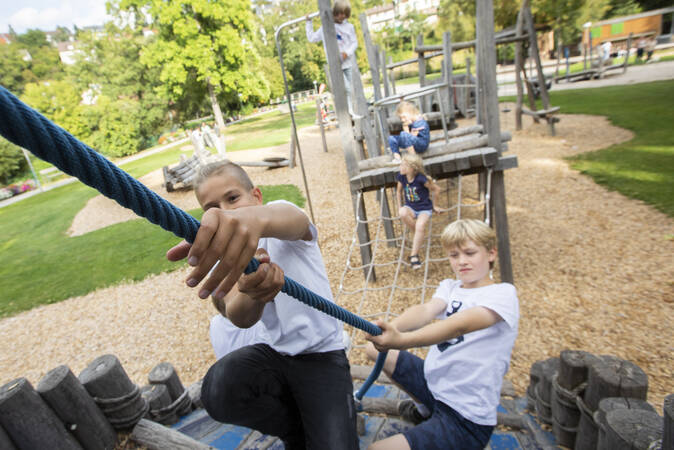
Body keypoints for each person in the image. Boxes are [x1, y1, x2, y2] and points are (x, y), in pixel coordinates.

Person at [166, 161, 358, 449]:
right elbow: (238, 316)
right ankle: (296, 432)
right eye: (213, 208)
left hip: (323, 355)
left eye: (233, 198)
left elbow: (297, 220)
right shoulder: (226, 258)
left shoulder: (278, 219)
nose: (227, 211)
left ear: (256, 196)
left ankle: (313, 429)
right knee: (219, 388)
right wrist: (252, 292)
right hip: (277, 355)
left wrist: (254, 220)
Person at [364, 219, 519, 450]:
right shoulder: (451, 286)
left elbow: (460, 325)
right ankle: (424, 411)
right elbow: (426, 310)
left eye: (469, 253)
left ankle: (441, 425)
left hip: (464, 416)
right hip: (435, 387)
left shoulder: (503, 294)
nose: (462, 261)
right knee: (372, 350)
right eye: (454, 255)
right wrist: (390, 329)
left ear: (491, 253)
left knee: (376, 449)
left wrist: (402, 340)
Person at [306, 1, 359, 115]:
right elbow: (312, 38)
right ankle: (346, 112)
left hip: (347, 62)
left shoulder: (349, 27)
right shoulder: (326, 27)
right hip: (335, 64)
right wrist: (308, 22)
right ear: (334, 13)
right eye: (339, 13)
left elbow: (354, 43)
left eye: (344, 13)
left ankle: (351, 111)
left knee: (351, 89)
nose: (342, 16)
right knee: (345, 89)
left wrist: (347, 52)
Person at [396, 153, 440, 270]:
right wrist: (400, 207)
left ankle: (413, 255)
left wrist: (435, 206)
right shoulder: (401, 177)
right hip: (410, 207)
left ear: (412, 168)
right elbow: (398, 192)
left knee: (420, 225)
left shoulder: (421, 179)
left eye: (404, 165)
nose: (401, 167)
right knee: (402, 213)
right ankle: (418, 234)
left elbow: (436, 189)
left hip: (424, 209)